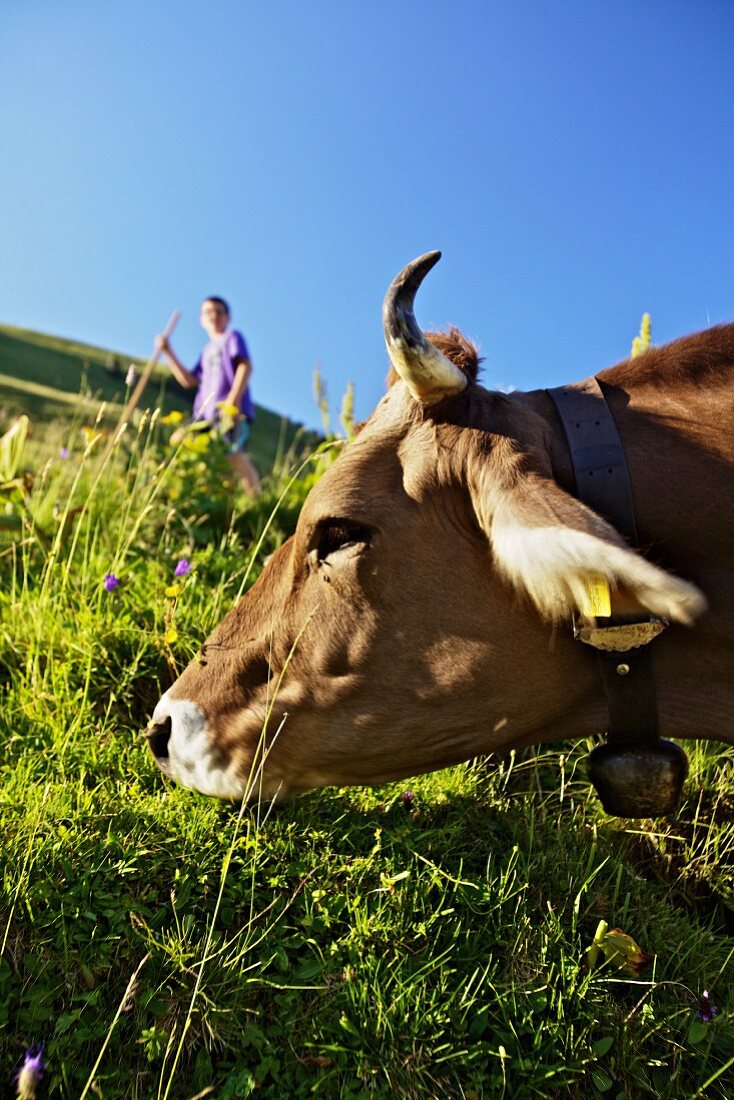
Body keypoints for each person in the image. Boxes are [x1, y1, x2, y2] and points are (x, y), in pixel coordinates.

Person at [156, 297, 260, 494]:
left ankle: (257, 500)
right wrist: (168, 352)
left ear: (228, 317)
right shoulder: (206, 351)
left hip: (228, 409)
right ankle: (194, 492)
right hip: (205, 416)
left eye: (219, 311)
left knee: (235, 456)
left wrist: (232, 401)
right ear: (201, 320)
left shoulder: (232, 337)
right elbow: (188, 380)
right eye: (208, 312)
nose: (214, 315)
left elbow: (245, 366)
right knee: (180, 440)